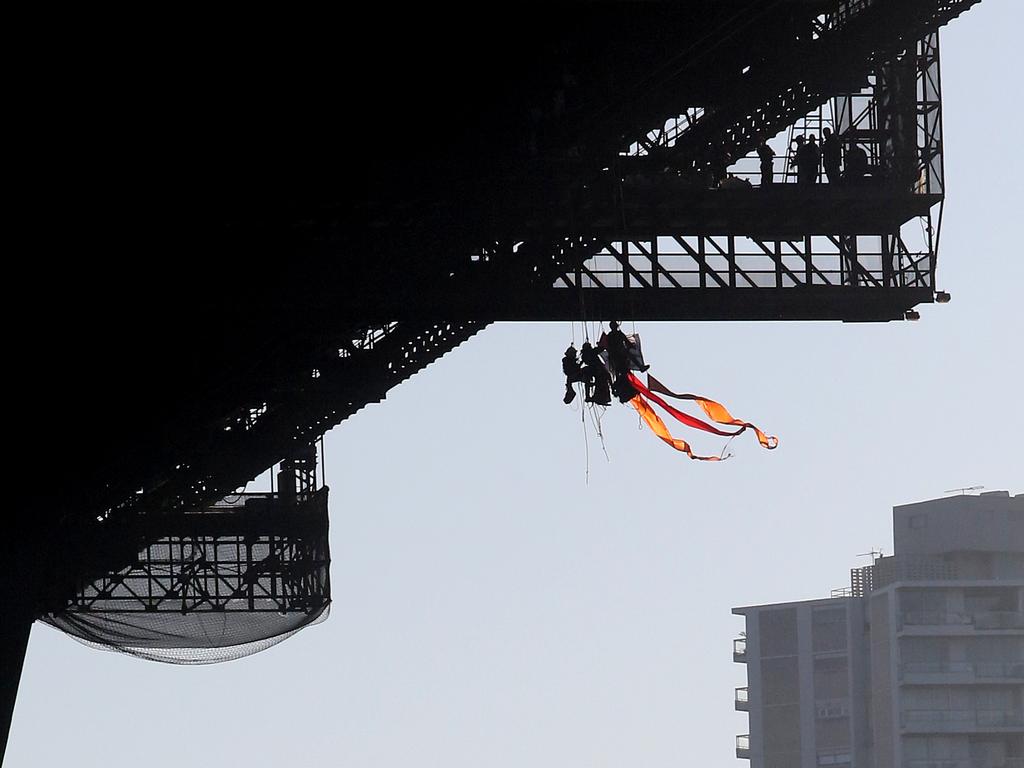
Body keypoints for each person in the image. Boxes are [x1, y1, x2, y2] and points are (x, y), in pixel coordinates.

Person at [580, 341, 611, 406]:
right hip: (598, 369)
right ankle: (605, 396)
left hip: (592, 370)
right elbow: (601, 349)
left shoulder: (584, 355)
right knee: (605, 378)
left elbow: (582, 362)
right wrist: (599, 344)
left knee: (589, 382)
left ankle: (588, 396)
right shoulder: (592, 352)